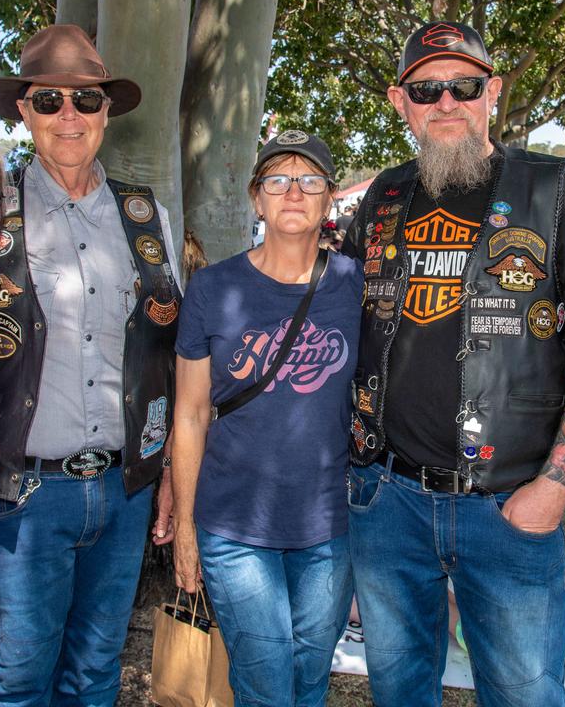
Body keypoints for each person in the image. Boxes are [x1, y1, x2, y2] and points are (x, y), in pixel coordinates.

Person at [340, 21, 565, 706]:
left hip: (509, 502)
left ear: (492, 93)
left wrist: (555, 489)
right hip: (388, 501)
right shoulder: (381, 200)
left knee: (523, 693)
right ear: (400, 101)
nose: (445, 102)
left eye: (464, 86)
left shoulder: (554, 190)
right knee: (398, 688)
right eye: (426, 89)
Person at [0, 24, 182, 706]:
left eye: (86, 102)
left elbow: (170, 355)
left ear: (107, 114)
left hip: (125, 490)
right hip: (25, 496)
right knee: (14, 677)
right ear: (24, 111)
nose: (70, 116)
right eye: (50, 100)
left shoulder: (147, 218)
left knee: (95, 674)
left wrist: (170, 468)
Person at [172, 130, 361, 705]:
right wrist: (184, 528)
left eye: (310, 181)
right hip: (233, 522)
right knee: (265, 683)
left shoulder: (358, 286)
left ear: (329, 198)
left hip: (329, 523)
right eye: (278, 180)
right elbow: (189, 413)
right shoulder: (212, 288)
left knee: (310, 676)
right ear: (257, 198)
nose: (294, 193)